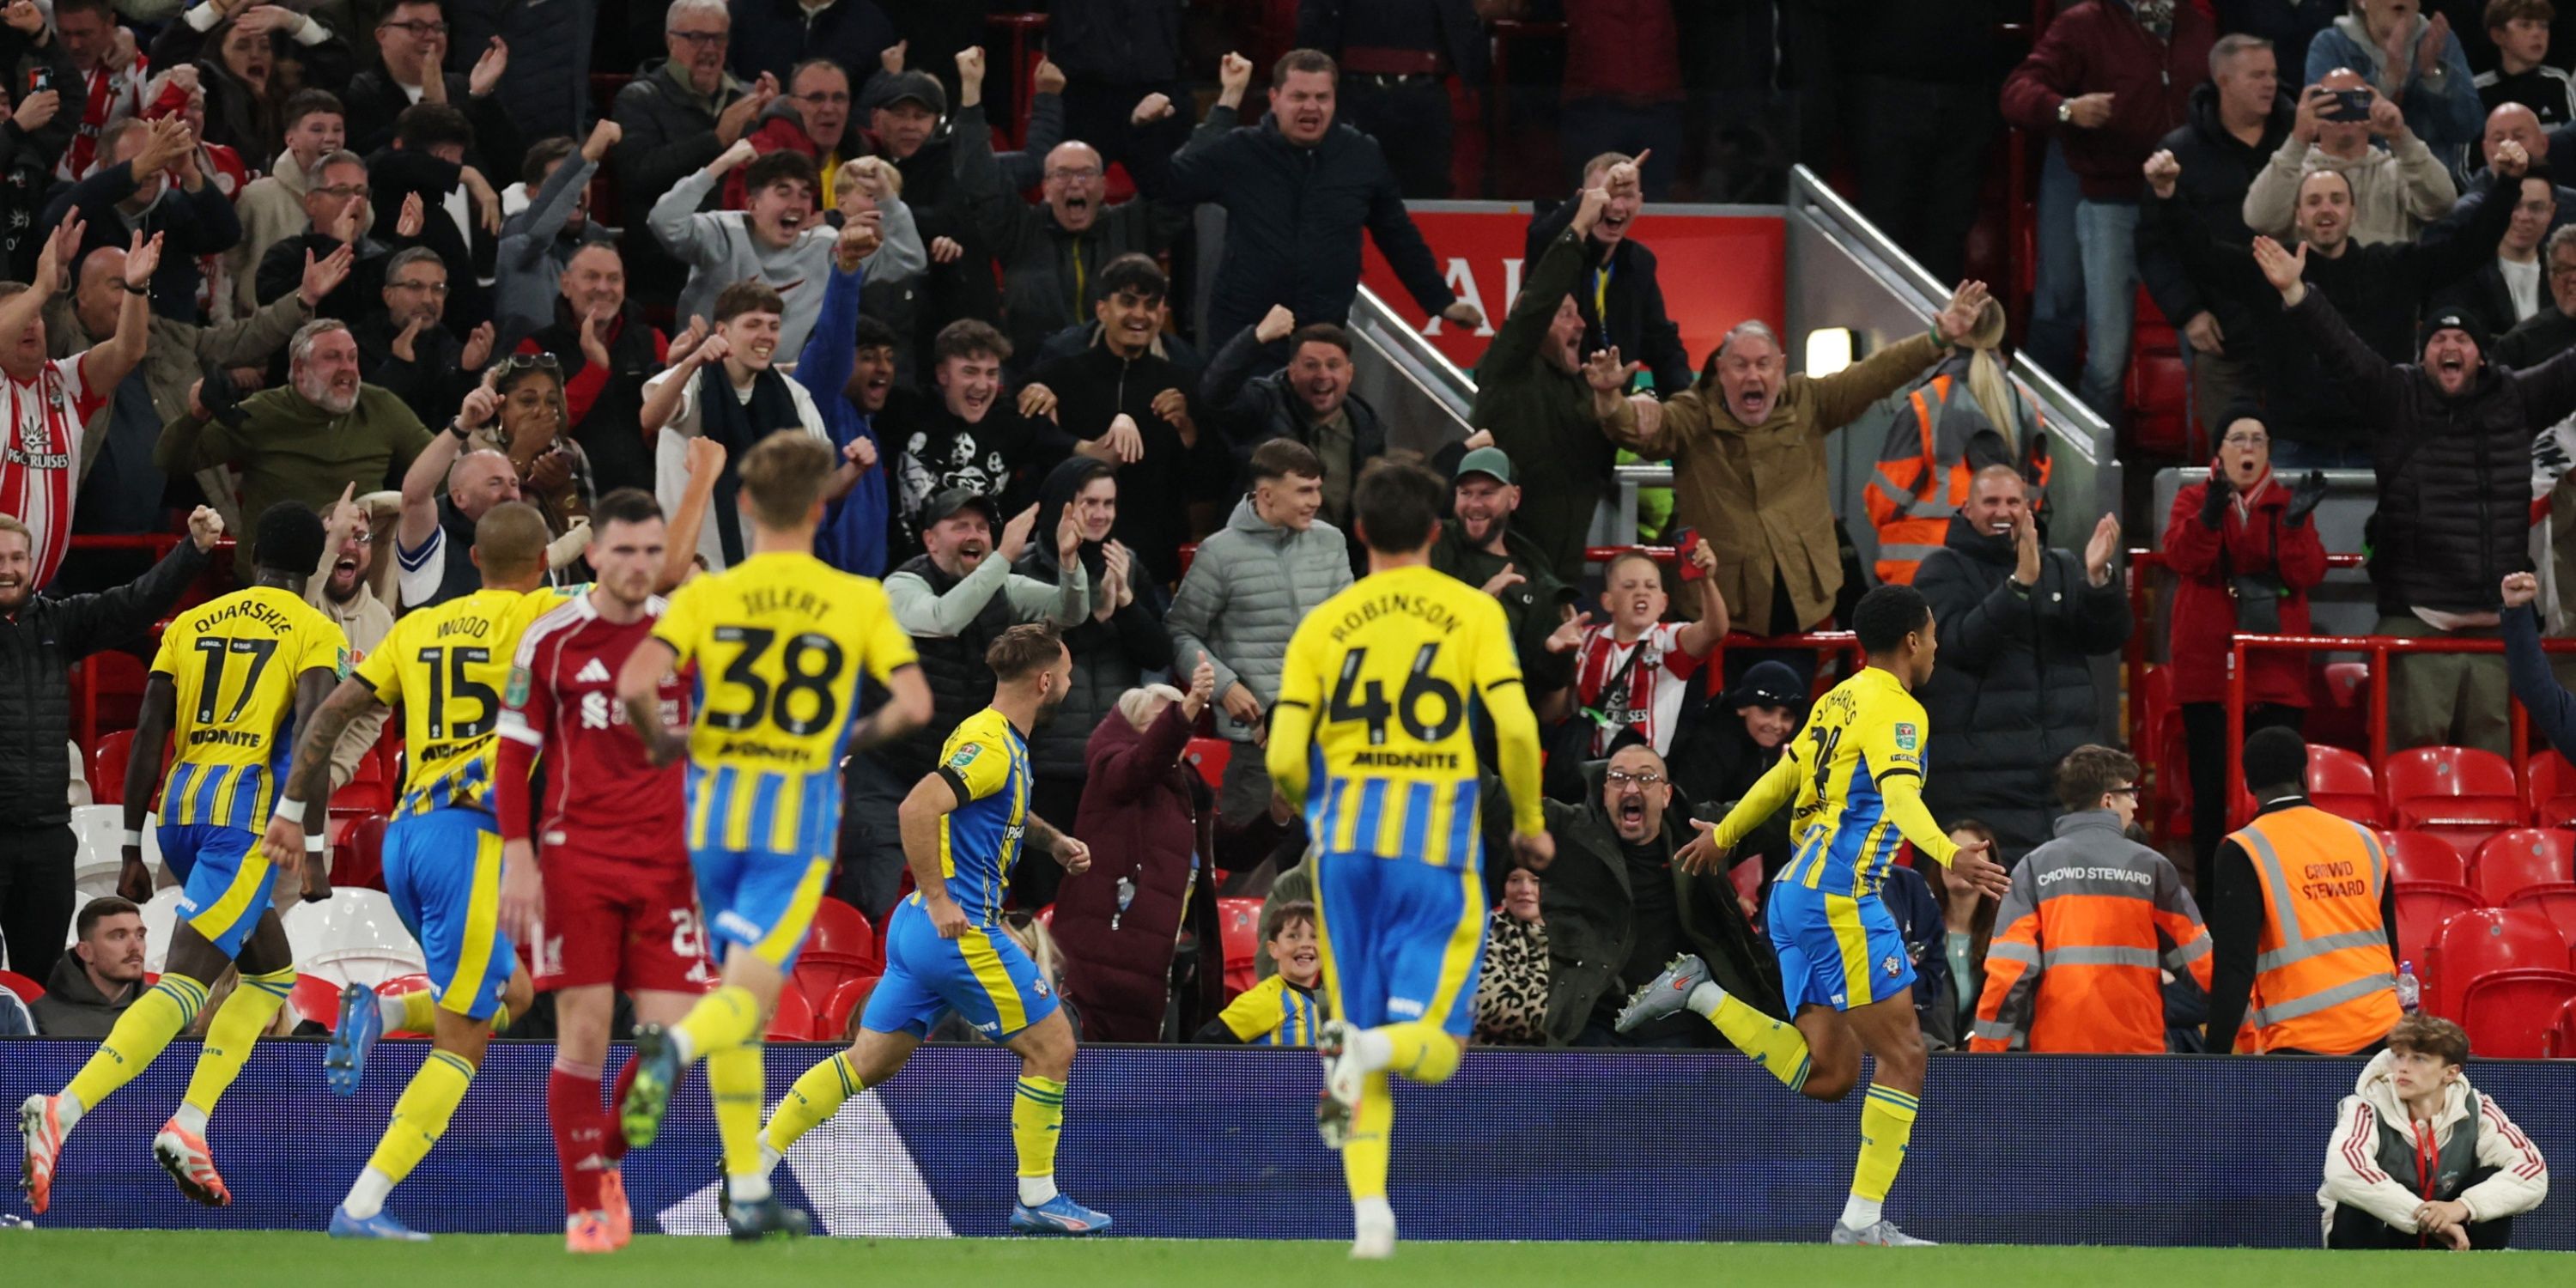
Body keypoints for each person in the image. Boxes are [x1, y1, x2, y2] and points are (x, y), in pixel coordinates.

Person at [1617, 583, 2013, 1247]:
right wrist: (1949, 854)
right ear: (1914, 639)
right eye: (1935, 633)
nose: (1939, 645)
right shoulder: (1899, 710)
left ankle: (1700, 993)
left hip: (1793, 895)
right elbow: (1901, 796)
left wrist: (1726, 833)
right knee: (1907, 1055)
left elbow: (1781, 777)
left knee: (1829, 1075)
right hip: (1841, 898)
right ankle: (1860, 1224)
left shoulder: (1840, 697)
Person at [612, 432, 931, 1240]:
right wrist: (847, 734)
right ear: (823, 504)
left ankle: (748, 1190)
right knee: (742, 1000)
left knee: (744, 1009)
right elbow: (916, 704)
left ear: (745, 503)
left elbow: (636, 684)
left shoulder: (708, 594)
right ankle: (672, 1051)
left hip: (711, 817)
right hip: (794, 820)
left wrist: (665, 743)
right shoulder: (855, 598)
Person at [17, 501, 337, 1217]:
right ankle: (62, 1111)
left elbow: (148, 728)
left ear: (253, 558)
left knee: (270, 974)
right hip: (245, 823)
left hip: (181, 812)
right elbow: (315, 733)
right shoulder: (316, 629)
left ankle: (190, 1124)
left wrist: (132, 844)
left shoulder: (192, 624)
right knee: (188, 984)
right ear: (312, 567)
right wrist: (313, 849)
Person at [1272, 459, 1550, 1260]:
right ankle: (1363, 1051)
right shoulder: (1470, 612)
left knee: (1357, 1033)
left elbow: (1287, 756)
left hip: (1345, 856)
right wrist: (1529, 819)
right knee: (1435, 1049)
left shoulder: (1324, 623)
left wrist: (1325, 801)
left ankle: (1370, 1223)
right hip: (1435, 857)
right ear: (1435, 531)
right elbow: (1521, 732)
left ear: (1358, 531)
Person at [259, 505, 562, 1239]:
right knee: (464, 1038)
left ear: (476, 558)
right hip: (471, 839)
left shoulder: (417, 625)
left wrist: (293, 809)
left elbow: (329, 715)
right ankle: (361, 1205)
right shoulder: (549, 614)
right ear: (544, 560)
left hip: (405, 836)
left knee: (512, 993)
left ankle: (385, 1012)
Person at [755, 624, 1109, 1235]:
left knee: (868, 1061)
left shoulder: (991, 737)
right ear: (1045, 681)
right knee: (1054, 1047)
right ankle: (1037, 1196)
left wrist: (1051, 842)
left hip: (916, 931)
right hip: (958, 931)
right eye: (1069, 673)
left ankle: (754, 1160)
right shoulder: (994, 745)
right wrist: (945, 898)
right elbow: (917, 807)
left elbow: (998, 806)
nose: (1072, 683)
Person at [464, 489, 704, 1251]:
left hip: (668, 864)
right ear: (593, 553)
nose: (637, 566)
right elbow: (512, 759)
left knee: (667, 1049)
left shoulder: (685, 639)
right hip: (579, 858)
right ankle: (587, 1210)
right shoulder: (551, 638)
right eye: (622, 550)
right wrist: (520, 859)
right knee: (586, 1037)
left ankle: (602, 1164)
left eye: (649, 551)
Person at [2255, 230, 2576, 752]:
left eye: (2463, 340)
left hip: (2499, 626)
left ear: (2481, 355)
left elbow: (2570, 369)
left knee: (2493, 780)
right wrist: (2297, 293)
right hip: (2418, 618)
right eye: (2437, 340)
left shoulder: (2515, 398)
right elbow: (2342, 351)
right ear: (2423, 354)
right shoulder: (2395, 395)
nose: (2450, 347)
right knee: (2407, 766)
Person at [1604, 283, 1990, 638]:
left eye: (1763, 364)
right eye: (1739, 365)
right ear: (1721, 371)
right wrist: (1613, 403)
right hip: (1719, 620)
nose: (1752, 375)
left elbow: (1875, 374)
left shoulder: (1809, 400)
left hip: (1805, 608)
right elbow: (1643, 431)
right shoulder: (1692, 413)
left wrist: (1937, 339)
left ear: (1781, 367)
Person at [0, 507, 215, 987]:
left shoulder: (58, 622)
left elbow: (134, 604)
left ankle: (30, 1064)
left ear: (32, 564)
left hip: (46, 839)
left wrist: (193, 550)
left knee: (39, 980)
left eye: (17, 557)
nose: (7, 569)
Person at [847, 489, 1084, 917]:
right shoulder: (900, 586)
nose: (975, 534)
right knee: (875, 898)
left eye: (981, 527)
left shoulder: (1001, 585)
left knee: (967, 903)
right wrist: (1005, 556)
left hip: (956, 767)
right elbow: (943, 619)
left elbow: (1069, 612)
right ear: (930, 540)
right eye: (960, 526)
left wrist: (1069, 564)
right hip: (889, 770)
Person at [1163, 48, 1482, 348]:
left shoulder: (1361, 155)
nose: (1311, 107)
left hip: (1322, 336)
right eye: (1299, 97)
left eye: (1321, 97)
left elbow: (1397, 234)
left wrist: (1440, 300)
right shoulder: (1241, 150)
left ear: (1334, 101)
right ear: (1275, 99)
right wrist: (1227, 103)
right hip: (1246, 333)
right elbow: (1177, 182)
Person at [1998, 0, 2216, 422]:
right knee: (2104, 359)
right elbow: (2017, 91)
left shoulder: (2199, 25)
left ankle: (2209, 472)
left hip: (2182, 205)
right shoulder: (2084, 24)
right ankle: (2089, 473)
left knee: (2205, 350)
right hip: (2110, 200)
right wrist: (2066, 108)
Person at [1913, 466, 2131, 864]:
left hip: (2063, 778)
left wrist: (2099, 579)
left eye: (2013, 502)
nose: (2004, 511)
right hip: (1981, 782)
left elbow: (2104, 637)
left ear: (2028, 509)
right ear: (1967, 509)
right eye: (1991, 501)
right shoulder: (1941, 570)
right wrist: (2018, 586)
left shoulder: (2062, 566)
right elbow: (1961, 646)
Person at [1510, 743, 1781, 1048]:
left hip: (1681, 1024)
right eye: (1617, 778)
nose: (1631, 787)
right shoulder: (1569, 832)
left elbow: (1774, 811)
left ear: (1666, 795)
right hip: (1595, 1023)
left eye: (1645, 778)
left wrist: (1819, 768)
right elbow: (1493, 802)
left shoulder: (1700, 831)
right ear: (1604, 792)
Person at [2163, 411, 2329, 902]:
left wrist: (2295, 525)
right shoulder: (2194, 500)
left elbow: (2307, 574)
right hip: (2210, 671)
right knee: (2211, 798)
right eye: (2238, 438)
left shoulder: (2286, 503)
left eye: (2259, 438)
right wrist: (2210, 518)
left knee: (2280, 796)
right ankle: (2216, 909)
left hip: (2276, 672)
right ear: (2220, 452)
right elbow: (2183, 559)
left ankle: (2278, 900)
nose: (2249, 447)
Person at [1060, 665, 1259, 1042]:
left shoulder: (1186, 786)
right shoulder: (1112, 763)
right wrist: (1191, 704)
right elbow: (1139, 765)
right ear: (1132, 729)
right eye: (1161, 720)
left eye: (1179, 719)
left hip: (1167, 960)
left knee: (1154, 1081)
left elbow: (1234, 851)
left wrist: (1280, 816)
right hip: (1113, 955)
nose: (1176, 727)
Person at [1966, 746, 2212, 1053]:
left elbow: (2009, 973)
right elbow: (2201, 963)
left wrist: (1984, 1053)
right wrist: (2245, 1032)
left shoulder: (2035, 867)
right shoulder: (2153, 868)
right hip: (2141, 1053)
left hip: (2059, 1053)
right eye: (2131, 792)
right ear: (2107, 800)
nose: (2136, 803)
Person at [156, 317, 435, 580]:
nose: (348, 368)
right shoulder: (263, 412)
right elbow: (170, 460)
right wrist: (196, 415)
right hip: (272, 584)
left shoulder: (381, 407)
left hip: (353, 586)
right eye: (332, 357)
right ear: (300, 369)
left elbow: (438, 465)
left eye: (352, 357)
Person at [1167, 438, 1355, 827]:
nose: (1316, 500)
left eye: (1318, 488)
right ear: (1267, 494)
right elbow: (1180, 631)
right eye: (1304, 490)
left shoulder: (1331, 542)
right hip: (1255, 746)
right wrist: (1224, 686)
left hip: (1330, 739)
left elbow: (1352, 631)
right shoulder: (1219, 553)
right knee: (1251, 869)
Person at [1013, 460, 1171, 906]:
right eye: (1090, 503)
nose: (1101, 514)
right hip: (1048, 761)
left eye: (1109, 503)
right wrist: (1100, 616)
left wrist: (1125, 604)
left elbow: (1158, 653)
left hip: (1113, 761)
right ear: (1064, 508)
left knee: (1107, 901)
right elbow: (1037, 658)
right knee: (1047, 900)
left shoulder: (1125, 563)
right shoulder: (1026, 571)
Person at [1018, 255, 1230, 584]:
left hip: (1150, 566)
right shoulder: (1059, 374)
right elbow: (1029, 447)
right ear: (1102, 309)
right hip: (1066, 560)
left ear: (1162, 314)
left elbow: (1205, 481)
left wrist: (1188, 430)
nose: (1139, 315)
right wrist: (1076, 443)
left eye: (1150, 305)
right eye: (1128, 302)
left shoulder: (1184, 382)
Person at [2202, 726, 2403, 1056]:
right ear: (2303, 775)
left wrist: (2213, 1058)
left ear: (2249, 784)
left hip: (2302, 1046)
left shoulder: (2242, 850)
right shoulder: (2364, 838)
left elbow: (2234, 968)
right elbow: (2390, 943)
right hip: (2383, 1035)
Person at [2137, 33, 2297, 434]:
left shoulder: (2298, 142)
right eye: (2257, 75)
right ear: (2223, 81)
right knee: (2228, 460)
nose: (2270, 84)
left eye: (2273, 74)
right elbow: (2155, 247)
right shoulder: (2180, 152)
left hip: (2295, 330)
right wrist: (2188, 312)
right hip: (2222, 335)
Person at [1473, 179, 1631, 582]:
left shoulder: (1584, 386)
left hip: (1564, 584)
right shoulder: (1507, 371)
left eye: (1577, 313)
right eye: (1564, 314)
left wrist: (1611, 402)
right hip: (1503, 578)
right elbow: (1539, 298)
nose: (1579, 323)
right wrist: (1578, 226)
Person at [649, 138, 923, 364]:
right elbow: (663, 221)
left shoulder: (825, 247)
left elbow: (907, 259)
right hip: (703, 378)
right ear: (753, 205)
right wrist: (722, 164)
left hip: (779, 389)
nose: (797, 203)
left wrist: (887, 197)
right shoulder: (720, 232)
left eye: (805, 194)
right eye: (783, 192)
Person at [0, 218, 164, 593]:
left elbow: (129, 350)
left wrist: (136, 289)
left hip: (37, 595)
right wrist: (44, 286)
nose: (31, 324)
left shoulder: (66, 380)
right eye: (20, 315)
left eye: (37, 316)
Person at [641, 280, 832, 574]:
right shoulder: (694, 380)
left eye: (773, 326)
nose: (766, 335)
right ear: (721, 332)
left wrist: (855, 469)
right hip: (690, 572)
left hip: (764, 575)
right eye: (753, 324)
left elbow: (817, 480)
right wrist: (691, 361)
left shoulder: (792, 395)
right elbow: (650, 418)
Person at [2319, 1014, 2549, 1249]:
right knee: (2355, 1199)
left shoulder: (2477, 1108)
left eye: (2419, 1059)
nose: (2403, 1068)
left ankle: (2478, 1275)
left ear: (2450, 1073)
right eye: (2399, 1056)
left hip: (2452, 1232)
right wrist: (2420, 1215)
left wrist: (2464, 1207)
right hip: (2387, 1233)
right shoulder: (2365, 1107)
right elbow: (2344, 1172)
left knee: (2489, 1178)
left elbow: (2533, 1170)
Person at [1864, 295, 2050, 586]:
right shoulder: (2028, 409)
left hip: (1920, 575)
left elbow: (1884, 502)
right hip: (2001, 572)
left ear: (1953, 337)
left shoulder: (1926, 404)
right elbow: (2033, 497)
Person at [609, 0, 769, 306]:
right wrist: (716, 139)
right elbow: (639, 174)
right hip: (667, 266)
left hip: (744, 260)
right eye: (696, 38)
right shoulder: (639, 99)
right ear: (671, 41)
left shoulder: (747, 99)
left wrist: (777, 117)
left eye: (719, 38)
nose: (710, 48)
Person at [39, 115, 245, 324]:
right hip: (97, 345)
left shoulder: (173, 207)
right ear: (104, 165)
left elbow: (227, 235)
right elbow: (53, 222)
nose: (151, 171)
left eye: (157, 159)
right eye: (141, 160)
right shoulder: (80, 202)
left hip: (171, 342)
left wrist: (190, 173)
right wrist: (134, 171)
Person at [1521, 149, 1691, 399]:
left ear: (1640, 202)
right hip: (1551, 410)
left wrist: (1686, 406)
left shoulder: (1639, 263)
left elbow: (1663, 346)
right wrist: (1585, 206)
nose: (1617, 206)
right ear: (1582, 200)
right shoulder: (1557, 254)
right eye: (1608, 194)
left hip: (1608, 415)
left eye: (1627, 196)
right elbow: (1540, 239)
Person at [1545, 545, 1728, 761]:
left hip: (1647, 771)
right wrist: (1558, 660)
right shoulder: (1583, 640)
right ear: (1608, 601)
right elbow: (1549, 713)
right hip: (1587, 771)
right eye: (1629, 586)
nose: (1641, 592)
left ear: (1663, 603)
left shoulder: (1669, 640)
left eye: (1650, 586)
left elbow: (1714, 630)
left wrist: (1706, 582)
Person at [2241, 71, 2458, 246]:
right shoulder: (2295, 172)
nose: (2343, 111)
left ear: (2370, 106)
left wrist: (2401, 138)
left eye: (2354, 101)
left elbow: (2443, 202)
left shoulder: (2397, 171)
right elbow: (2260, 220)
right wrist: (2298, 139)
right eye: (2332, 102)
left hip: (2387, 289)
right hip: (2313, 292)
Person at [1430, 446, 1579, 696]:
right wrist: (1479, 605)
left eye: (1487, 493)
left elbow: (1546, 701)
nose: (1475, 505)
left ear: (1514, 498)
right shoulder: (1432, 545)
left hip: (1503, 717)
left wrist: (1557, 657)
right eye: (1466, 493)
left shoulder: (1537, 573)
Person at [1665, 660, 1805, 879]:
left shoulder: (1768, 744)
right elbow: (1691, 819)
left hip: (1727, 841)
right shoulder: (1712, 744)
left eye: (1786, 715)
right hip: (1685, 854)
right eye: (1767, 710)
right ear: (1742, 706)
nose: (1777, 724)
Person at [492, 123, 619, 355]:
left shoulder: (597, 236)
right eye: (562, 181)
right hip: (524, 374)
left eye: (583, 181)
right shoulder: (518, 232)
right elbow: (540, 228)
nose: (577, 189)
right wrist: (586, 157)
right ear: (533, 194)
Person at [2306, 0, 2483, 153]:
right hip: (2355, 179)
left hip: (2427, 180)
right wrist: (2388, 80)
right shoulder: (2331, 45)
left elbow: (2468, 127)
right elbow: (2325, 124)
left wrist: (2432, 72)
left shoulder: (2438, 41)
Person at [228, 88, 344, 317]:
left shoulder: (356, 199)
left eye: (337, 130)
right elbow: (229, 268)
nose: (330, 138)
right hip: (263, 329)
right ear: (291, 139)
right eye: (317, 129)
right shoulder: (257, 197)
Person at [2433, 173, 2559, 327]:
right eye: (2514, 205)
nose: (2524, 217)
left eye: (2536, 208)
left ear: (2551, 211)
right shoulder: (2460, 273)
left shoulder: (2566, 271)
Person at [1195, 898, 1326, 1044]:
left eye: (1315, 936)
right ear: (1273, 949)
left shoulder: (1322, 999)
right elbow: (1204, 1045)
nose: (1305, 944)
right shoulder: (1267, 999)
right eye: (1293, 936)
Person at [27, 896, 145, 1037]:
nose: (135, 947)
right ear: (85, 952)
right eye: (119, 936)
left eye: (140, 936)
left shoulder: (167, 1009)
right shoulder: (40, 1018)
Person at [1926, 819, 2001, 1044]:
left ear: (1992, 865)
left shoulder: (2008, 935)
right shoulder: (1914, 932)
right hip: (1925, 1061)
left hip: (1986, 1064)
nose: (1961, 862)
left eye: (1973, 853)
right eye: (1952, 853)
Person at [1468, 864, 1547, 1047]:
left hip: (1568, 1062)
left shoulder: (1579, 937)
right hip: (1495, 1064)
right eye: (1515, 880)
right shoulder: (1483, 932)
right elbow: (1490, 1007)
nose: (1525, 889)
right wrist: (1569, 1016)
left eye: (1536, 881)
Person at [2478, 0, 2576, 125]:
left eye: (2543, 26)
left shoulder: (2557, 83)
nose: (2537, 33)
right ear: (2498, 35)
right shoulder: (2480, 91)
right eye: (2525, 25)